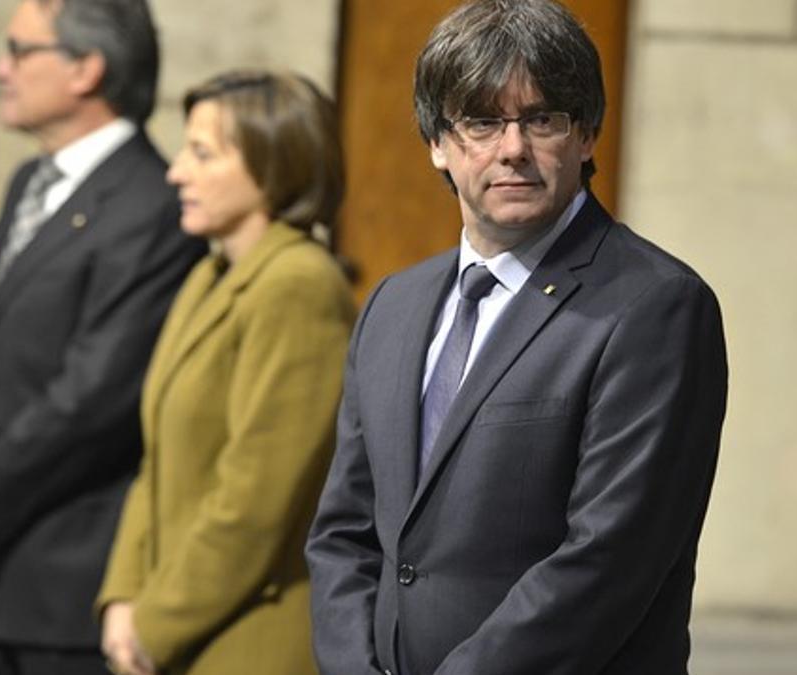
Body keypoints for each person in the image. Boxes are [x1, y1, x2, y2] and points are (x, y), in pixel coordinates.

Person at [305, 1, 729, 673]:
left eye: (542, 119)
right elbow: (343, 532)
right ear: (438, 144)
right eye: (482, 120)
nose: (513, 148)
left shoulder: (656, 307)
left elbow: (607, 560)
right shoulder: (392, 305)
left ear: (586, 134)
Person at [0, 0, 205, 673]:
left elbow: (90, 398)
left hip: (56, 592)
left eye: (18, 50)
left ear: (85, 70)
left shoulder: (149, 207)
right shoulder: (28, 182)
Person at [96, 70, 356, 675]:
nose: (175, 171)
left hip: (247, 642)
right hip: (177, 630)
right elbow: (156, 463)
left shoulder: (300, 286)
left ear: (273, 166)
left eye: (202, 153)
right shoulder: (208, 275)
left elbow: (255, 502)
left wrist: (154, 625)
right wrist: (123, 598)